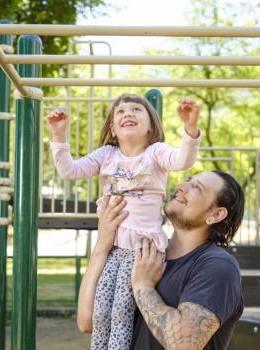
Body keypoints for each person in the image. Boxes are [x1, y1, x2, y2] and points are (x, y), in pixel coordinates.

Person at [47, 93, 202, 350]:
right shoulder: (106, 155)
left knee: (121, 312)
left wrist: (191, 128)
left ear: (151, 125)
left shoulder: (155, 153)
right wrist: (59, 136)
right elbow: (69, 171)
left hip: (141, 252)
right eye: (120, 112)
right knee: (100, 313)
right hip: (113, 250)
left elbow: (182, 160)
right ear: (113, 128)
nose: (127, 113)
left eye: (136, 110)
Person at [77, 170, 244, 350]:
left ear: (216, 214)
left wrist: (143, 287)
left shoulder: (218, 266)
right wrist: (102, 246)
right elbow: (87, 322)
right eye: (188, 181)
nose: (181, 186)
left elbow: (184, 345)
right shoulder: (145, 252)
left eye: (197, 187)